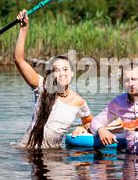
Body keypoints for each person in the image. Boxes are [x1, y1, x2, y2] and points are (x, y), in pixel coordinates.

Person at [14, 10, 92, 149]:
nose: (62, 73)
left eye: (65, 69)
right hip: (28, 151)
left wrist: (82, 128)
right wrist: (24, 28)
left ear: (72, 74)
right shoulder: (41, 87)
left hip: (54, 155)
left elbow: (89, 122)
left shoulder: (79, 102)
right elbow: (19, 60)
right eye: (56, 70)